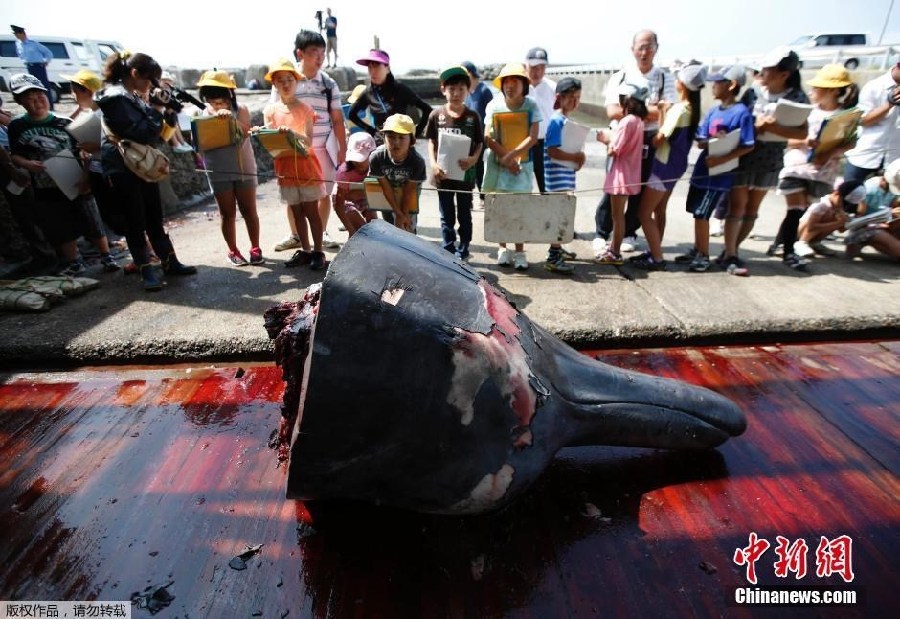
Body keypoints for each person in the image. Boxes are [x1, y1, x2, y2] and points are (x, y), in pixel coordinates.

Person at [95, 52, 196, 291]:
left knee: (153, 216)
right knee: (134, 220)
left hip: (140, 165)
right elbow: (142, 133)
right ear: (134, 74)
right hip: (123, 168)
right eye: (149, 79)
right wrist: (158, 108)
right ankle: (146, 271)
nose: (151, 86)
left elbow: (155, 135)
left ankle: (169, 262)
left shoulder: (131, 96)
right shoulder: (114, 97)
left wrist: (166, 113)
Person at [593, 30, 677, 257]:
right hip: (623, 135)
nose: (644, 51)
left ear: (656, 48)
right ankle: (602, 233)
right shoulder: (620, 76)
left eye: (649, 46)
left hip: (650, 141)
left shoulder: (664, 78)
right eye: (640, 46)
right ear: (632, 49)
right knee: (611, 188)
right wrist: (652, 110)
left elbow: (669, 112)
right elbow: (612, 110)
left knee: (638, 189)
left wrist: (641, 111)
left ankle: (629, 233)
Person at [727, 48, 809, 271]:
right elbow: (736, 118)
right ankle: (731, 254)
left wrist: (773, 127)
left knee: (751, 209)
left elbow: (802, 134)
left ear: (784, 74)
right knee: (737, 206)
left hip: (770, 159)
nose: (763, 72)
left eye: (769, 68)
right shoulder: (752, 92)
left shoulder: (798, 98)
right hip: (744, 156)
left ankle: (732, 248)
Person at [6, 73, 95, 276]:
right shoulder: (17, 126)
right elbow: (15, 156)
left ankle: (106, 255)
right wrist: (28, 164)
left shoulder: (63, 122)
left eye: (40, 95)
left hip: (74, 178)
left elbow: (83, 149)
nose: (37, 100)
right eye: (29, 97)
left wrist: (86, 173)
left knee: (89, 218)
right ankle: (74, 261)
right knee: (59, 223)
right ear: (20, 101)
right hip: (44, 184)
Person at [774, 64, 859, 270]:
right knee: (795, 209)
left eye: (818, 87)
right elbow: (784, 138)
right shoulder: (806, 112)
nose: (812, 91)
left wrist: (831, 152)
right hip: (796, 166)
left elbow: (851, 141)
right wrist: (805, 142)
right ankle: (788, 251)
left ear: (833, 90)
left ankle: (780, 244)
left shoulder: (847, 116)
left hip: (823, 171)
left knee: (799, 210)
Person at [674, 66, 755, 274]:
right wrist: (707, 142)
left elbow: (748, 144)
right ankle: (697, 249)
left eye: (718, 82)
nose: (713, 86)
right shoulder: (713, 110)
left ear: (732, 85)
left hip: (719, 175)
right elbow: (701, 137)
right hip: (702, 168)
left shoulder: (741, 113)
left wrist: (723, 159)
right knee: (695, 211)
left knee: (703, 213)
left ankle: (703, 255)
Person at [272, 31, 346, 254]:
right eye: (314, 51)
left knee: (323, 193)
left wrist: (342, 151)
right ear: (300, 53)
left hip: (323, 147)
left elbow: (338, 119)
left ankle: (321, 233)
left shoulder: (328, 83)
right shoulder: (286, 79)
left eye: (322, 52)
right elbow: (274, 112)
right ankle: (295, 235)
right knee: (292, 194)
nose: (320, 56)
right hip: (292, 150)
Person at [632, 63, 706, 270]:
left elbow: (658, 140)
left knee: (644, 213)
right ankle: (656, 250)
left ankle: (656, 257)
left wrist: (664, 111)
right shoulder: (692, 110)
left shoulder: (680, 110)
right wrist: (665, 111)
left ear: (681, 84)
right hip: (676, 167)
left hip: (662, 168)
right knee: (660, 210)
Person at [263, 59, 327, 270]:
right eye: (280, 80)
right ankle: (306, 250)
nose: (285, 84)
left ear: (296, 81)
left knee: (311, 211)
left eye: (289, 79)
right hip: (285, 168)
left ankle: (318, 251)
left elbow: (308, 141)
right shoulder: (270, 110)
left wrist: (290, 133)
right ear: (274, 84)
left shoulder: (305, 109)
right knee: (296, 212)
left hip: (306, 168)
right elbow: (268, 140)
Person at [196, 70, 261, 267]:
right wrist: (213, 119)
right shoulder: (199, 114)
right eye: (212, 100)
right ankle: (233, 250)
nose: (217, 104)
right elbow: (197, 143)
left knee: (249, 210)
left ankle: (255, 248)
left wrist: (230, 120)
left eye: (221, 100)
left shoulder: (240, 109)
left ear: (229, 95)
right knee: (227, 213)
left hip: (244, 167)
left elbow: (245, 132)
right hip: (218, 169)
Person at [61, 68, 122, 272]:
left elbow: (115, 141)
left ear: (85, 90)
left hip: (111, 171)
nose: (72, 94)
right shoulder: (86, 113)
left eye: (75, 90)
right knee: (115, 218)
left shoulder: (102, 113)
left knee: (123, 216)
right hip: (97, 170)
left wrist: (94, 147)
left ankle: (145, 254)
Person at [483, 63, 541, 270]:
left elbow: (533, 136)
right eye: (507, 81)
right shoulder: (493, 105)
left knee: (519, 210)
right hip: (498, 165)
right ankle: (502, 248)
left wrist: (513, 157)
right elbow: (487, 136)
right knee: (499, 209)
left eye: (515, 81)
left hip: (522, 166)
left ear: (524, 84)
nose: (510, 85)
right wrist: (506, 158)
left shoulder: (531, 105)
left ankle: (519, 251)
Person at [425, 65, 484, 261]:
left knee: (465, 214)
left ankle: (464, 248)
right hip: (443, 175)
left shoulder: (473, 117)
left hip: (466, 175)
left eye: (461, 89)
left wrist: (473, 159)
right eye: (452, 89)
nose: (456, 94)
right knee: (446, 214)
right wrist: (433, 164)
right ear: (443, 90)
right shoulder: (436, 115)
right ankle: (448, 248)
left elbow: (480, 143)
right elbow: (431, 142)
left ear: (468, 91)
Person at [595, 80, 649, 265]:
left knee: (617, 217)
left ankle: (614, 252)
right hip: (631, 174)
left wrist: (605, 140)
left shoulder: (627, 121)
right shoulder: (639, 121)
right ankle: (614, 248)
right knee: (620, 216)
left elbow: (614, 150)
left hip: (620, 176)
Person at [542, 77, 585, 274]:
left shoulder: (567, 120)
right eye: (570, 97)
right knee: (559, 216)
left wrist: (577, 160)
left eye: (577, 97)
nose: (574, 101)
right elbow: (552, 151)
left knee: (564, 215)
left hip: (565, 175)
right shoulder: (556, 121)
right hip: (556, 178)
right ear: (560, 97)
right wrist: (575, 156)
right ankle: (553, 255)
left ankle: (558, 249)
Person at [348, 49, 433, 142]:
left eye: (376, 66)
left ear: (387, 68)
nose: (372, 71)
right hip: (380, 143)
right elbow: (352, 114)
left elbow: (427, 110)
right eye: (370, 67)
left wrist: (416, 133)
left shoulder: (400, 89)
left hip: (401, 143)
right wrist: (371, 130)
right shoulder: (368, 92)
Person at [843, 57, 900, 184]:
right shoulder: (874, 86)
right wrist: (889, 104)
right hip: (865, 156)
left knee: (890, 203)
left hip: (894, 161)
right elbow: (862, 120)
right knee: (848, 199)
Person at [368, 114, 426, 233]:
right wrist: (397, 212)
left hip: (410, 194)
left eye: (401, 137)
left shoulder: (417, 161)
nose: (396, 142)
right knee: (389, 223)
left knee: (408, 225)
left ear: (412, 141)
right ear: (384, 138)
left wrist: (403, 214)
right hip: (387, 192)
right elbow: (385, 187)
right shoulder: (376, 157)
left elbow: (409, 190)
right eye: (391, 137)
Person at [794, 180, 865, 258]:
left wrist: (850, 222)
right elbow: (812, 226)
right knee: (828, 216)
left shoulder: (838, 208)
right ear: (836, 193)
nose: (843, 205)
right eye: (843, 202)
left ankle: (814, 243)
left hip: (814, 232)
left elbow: (841, 230)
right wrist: (839, 222)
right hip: (799, 231)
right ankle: (802, 243)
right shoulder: (822, 204)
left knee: (835, 217)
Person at [333, 132, 377, 237]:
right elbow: (339, 204)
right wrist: (350, 229)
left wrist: (360, 193)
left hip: (365, 199)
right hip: (344, 201)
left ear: (372, 154)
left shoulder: (376, 168)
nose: (357, 162)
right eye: (355, 159)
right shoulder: (344, 172)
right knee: (361, 232)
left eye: (362, 158)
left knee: (375, 229)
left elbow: (376, 194)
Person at [525, 47, 556, 194]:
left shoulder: (553, 88)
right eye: (534, 67)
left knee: (547, 188)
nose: (537, 72)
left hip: (545, 144)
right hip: (523, 144)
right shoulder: (520, 87)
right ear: (526, 65)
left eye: (541, 67)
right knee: (523, 186)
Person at [462, 61, 493, 206]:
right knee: (467, 168)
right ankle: (468, 198)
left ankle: (482, 196)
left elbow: (491, 115)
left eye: (466, 73)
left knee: (480, 167)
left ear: (472, 73)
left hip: (481, 137)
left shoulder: (484, 91)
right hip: (468, 138)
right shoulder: (467, 93)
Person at [11, 25, 54, 110]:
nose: (16, 36)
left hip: (38, 67)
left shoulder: (33, 43)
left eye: (17, 33)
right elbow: (20, 54)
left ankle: (50, 107)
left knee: (43, 86)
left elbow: (48, 53)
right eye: (15, 34)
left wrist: (46, 61)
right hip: (29, 67)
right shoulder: (18, 44)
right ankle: (40, 106)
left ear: (22, 33)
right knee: (33, 88)